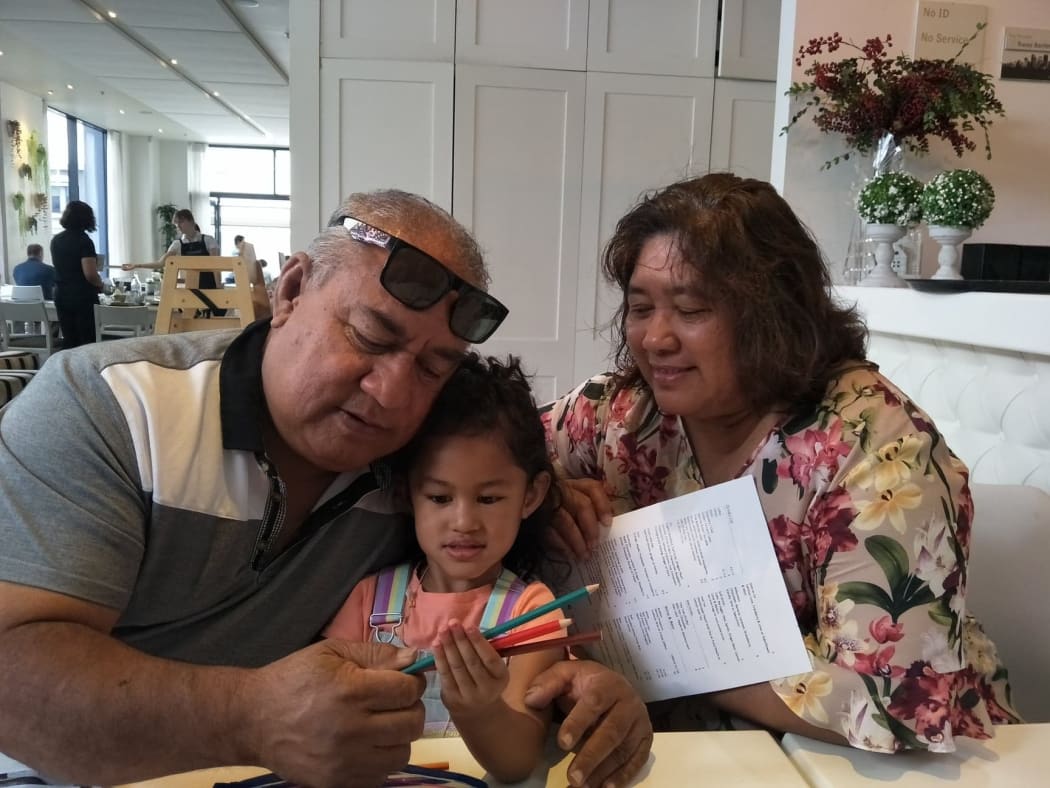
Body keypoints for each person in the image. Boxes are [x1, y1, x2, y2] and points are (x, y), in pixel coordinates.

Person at [0, 189, 651, 788]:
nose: (392, 394)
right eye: (369, 337)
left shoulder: (410, 458)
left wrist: (575, 684)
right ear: (290, 289)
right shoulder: (108, 409)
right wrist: (249, 716)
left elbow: (489, 482)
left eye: (431, 368)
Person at [542, 173, 1021, 754]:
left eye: (691, 309)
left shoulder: (872, 446)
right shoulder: (623, 413)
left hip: (849, 758)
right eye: (641, 308)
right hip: (671, 742)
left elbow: (897, 700)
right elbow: (485, 450)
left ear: (770, 316)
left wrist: (663, 660)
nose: (655, 339)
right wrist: (541, 491)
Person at [326, 353, 566, 782]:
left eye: (489, 498)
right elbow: (325, 710)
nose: (464, 522)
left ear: (530, 496)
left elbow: (516, 763)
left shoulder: (532, 612)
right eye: (439, 498)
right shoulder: (369, 598)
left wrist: (481, 710)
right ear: (406, 493)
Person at [50, 200, 104, 348]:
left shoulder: (56, 240)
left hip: (61, 293)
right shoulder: (84, 240)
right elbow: (90, 274)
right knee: (86, 340)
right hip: (81, 296)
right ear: (86, 219)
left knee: (69, 338)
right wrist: (101, 284)